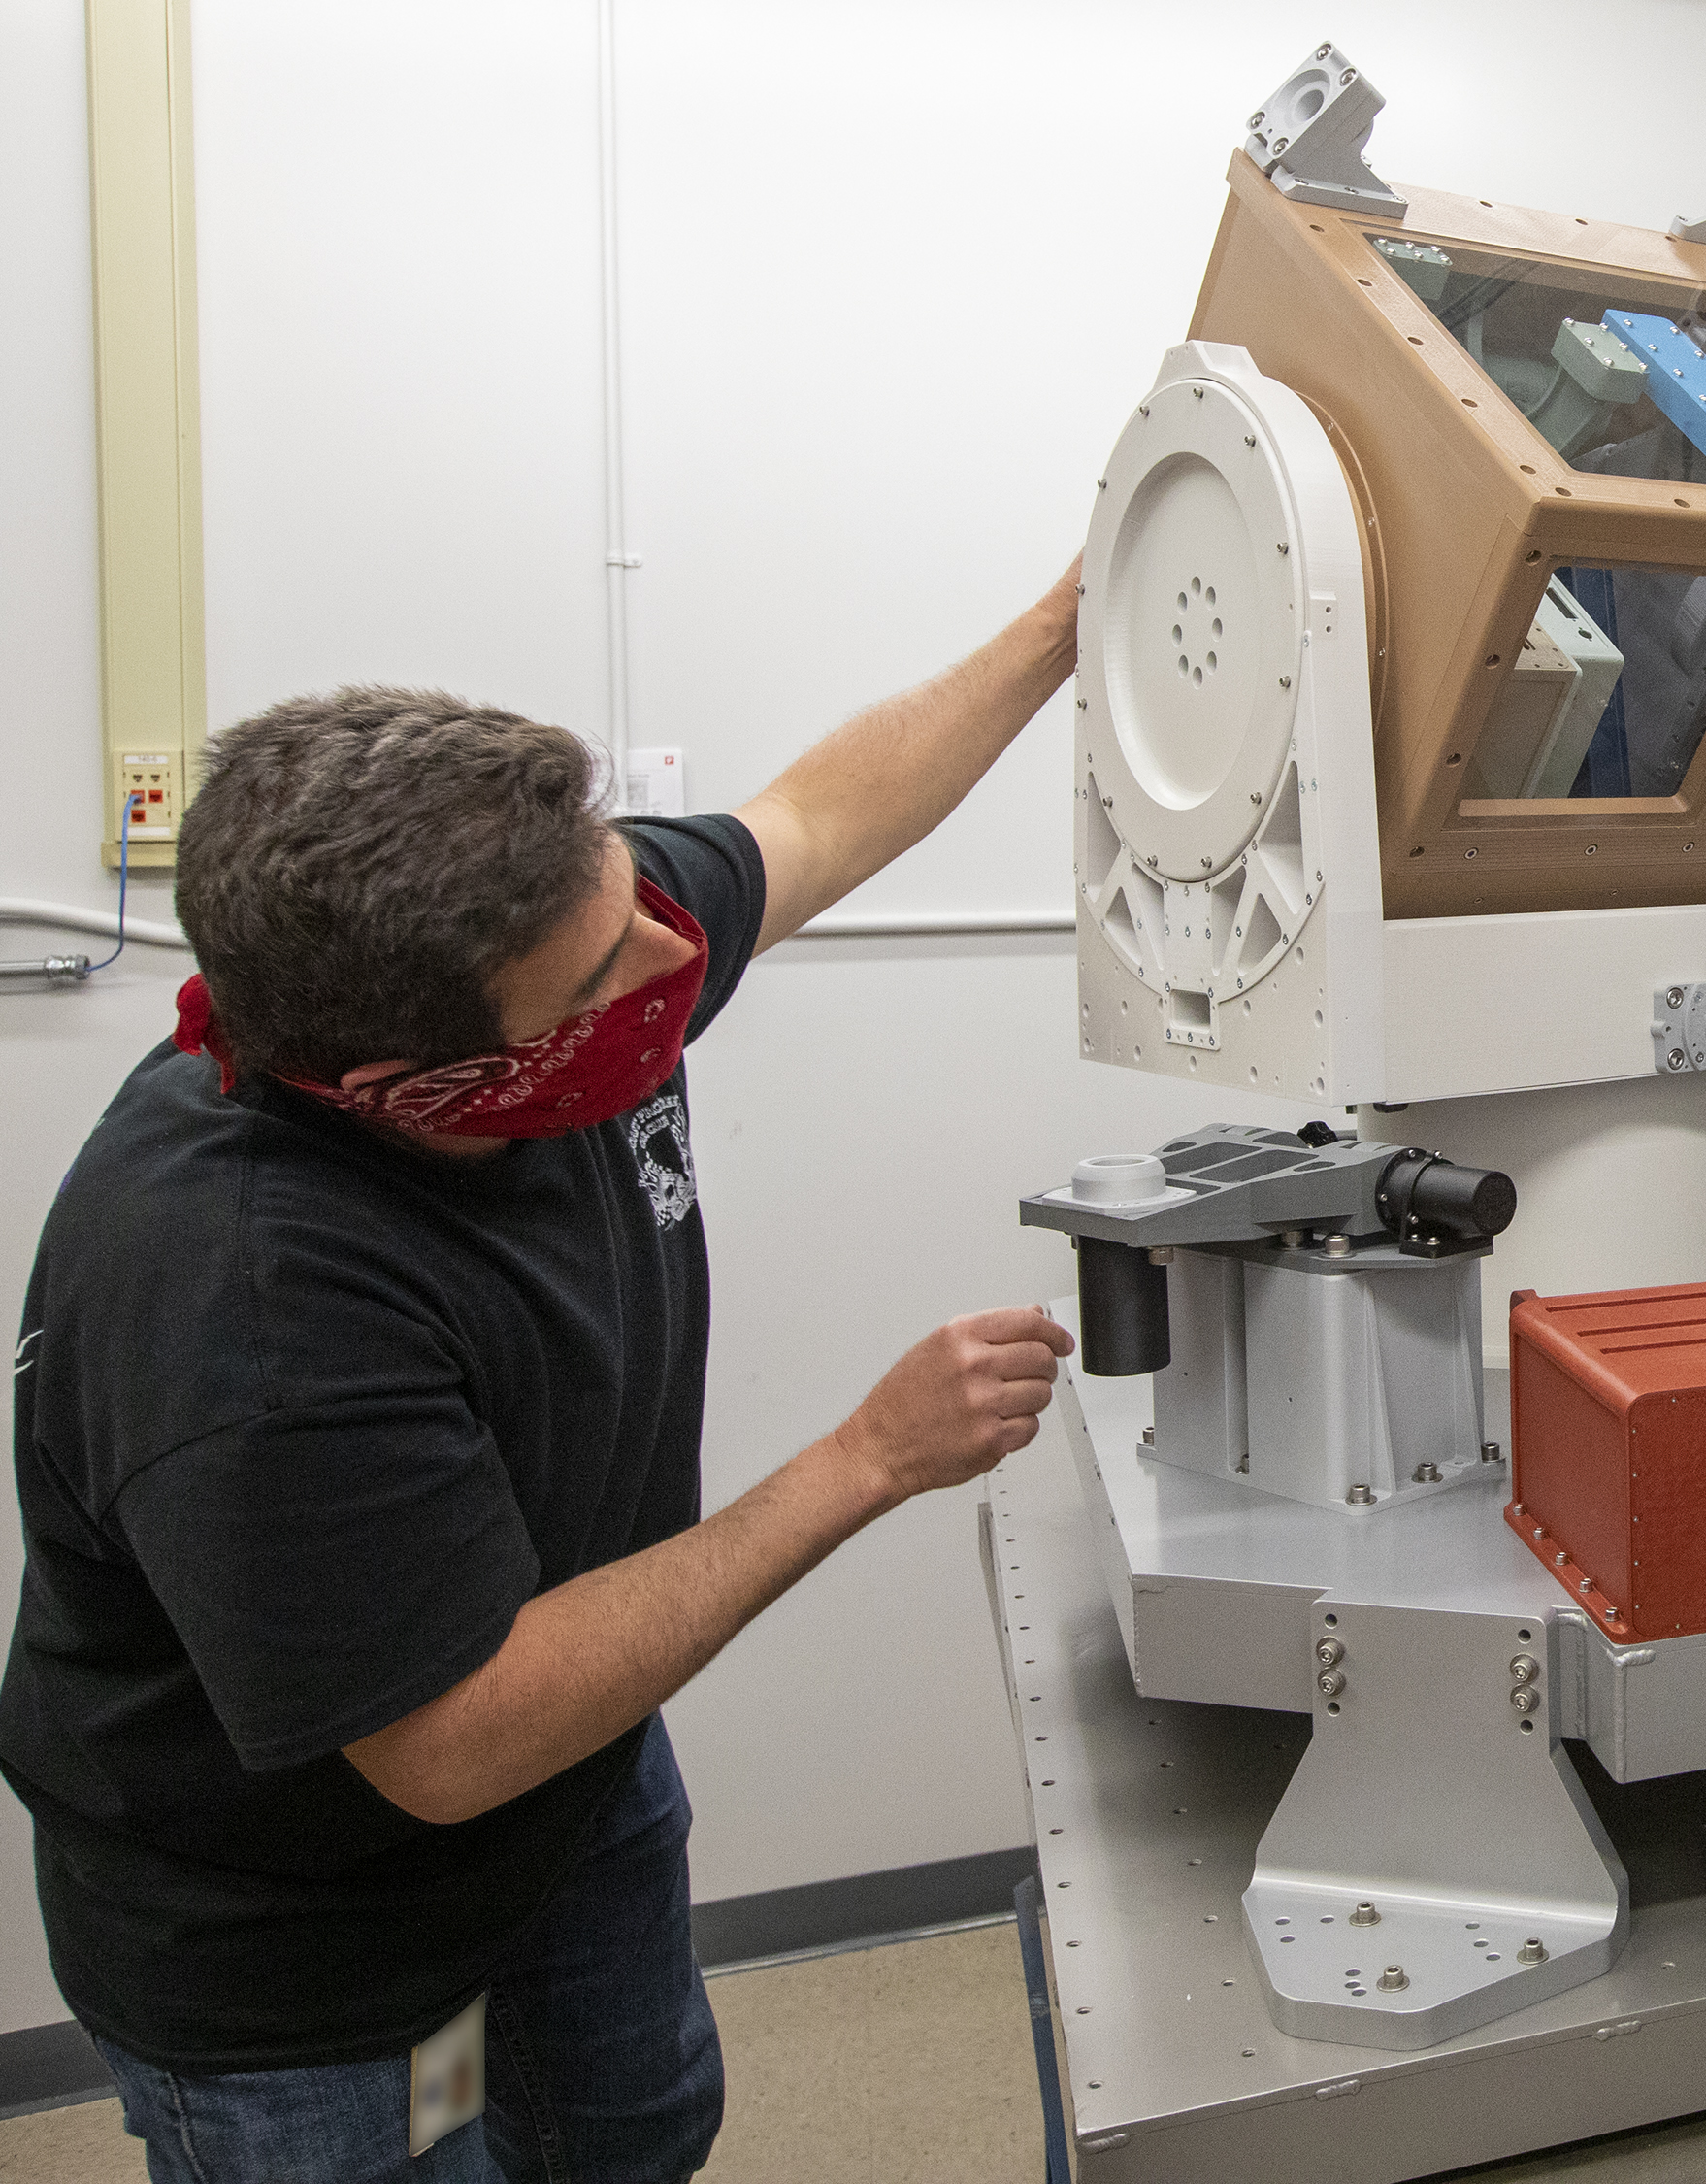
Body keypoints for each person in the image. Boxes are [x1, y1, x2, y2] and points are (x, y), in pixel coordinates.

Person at [3, 562, 1084, 2182]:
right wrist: (865, 1456)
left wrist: (1073, 616)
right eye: (606, 981)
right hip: (311, 1947)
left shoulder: (563, 934)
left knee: (621, 2135)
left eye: (638, 903)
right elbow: (450, 1737)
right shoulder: (255, 1304)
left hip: (567, 1801)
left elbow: (818, 821)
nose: (674, 956)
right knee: (441, 2153)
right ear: (411, 1089)